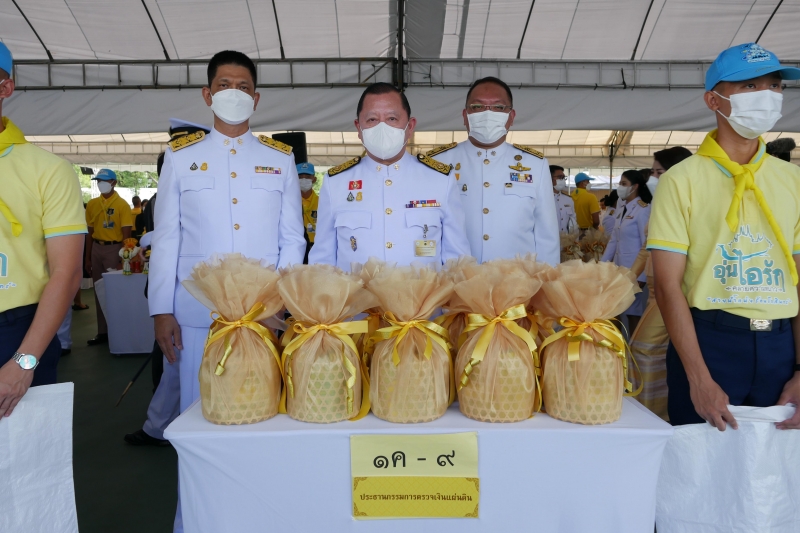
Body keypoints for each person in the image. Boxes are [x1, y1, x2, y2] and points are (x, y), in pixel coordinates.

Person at [648, 42, 800, 431]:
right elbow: (667, 286)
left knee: (776, 477)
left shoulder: (793, 180)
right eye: (749, 86)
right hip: (710, 342)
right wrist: (698, 377)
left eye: (775, 86)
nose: (767, 95)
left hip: (781, 347)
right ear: (713, 100)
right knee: (700, 470)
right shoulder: (680, 180)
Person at [149, 50, 305, 415]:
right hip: (196, 311)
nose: (234, 93)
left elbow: (293, 240)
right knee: (197, 408)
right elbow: (167, 236)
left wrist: (277, 303)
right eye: (225, 85)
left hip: (262, 312)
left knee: (260, 404)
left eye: (243, 87)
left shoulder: (279, 159)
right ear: (208, 94)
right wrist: (161, 310)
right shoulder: (179, 157)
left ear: (255, 98)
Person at [0, 42, 86, 418]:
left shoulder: (48, 169)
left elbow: (66, 274)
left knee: (22, 470)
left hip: (17, 331)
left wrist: (24, 361)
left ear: (5, 88)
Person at [310, 82, 470, 270]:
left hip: (421, 299)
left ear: (410, 126)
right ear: (358, 128)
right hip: (356, 299)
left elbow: (457, 260)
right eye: (372, 120)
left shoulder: (440, 179)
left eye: (392, 118)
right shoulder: (336, 182)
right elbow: (322, 260)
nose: (382, 127)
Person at [425, 77, 560, 265]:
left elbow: (547, 237)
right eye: (478, 107)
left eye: (498, 107)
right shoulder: (437, 163)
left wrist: (546, 286)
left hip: (517, 284)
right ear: (465, 116)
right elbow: (427, 228)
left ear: (511, 117)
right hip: (455, 282)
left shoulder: (535, 164)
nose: (487, 114)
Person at [629, 146, 693, 421]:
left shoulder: (691, 202)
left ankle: (652, 414)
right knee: (657, 351)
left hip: (675, 291)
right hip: (655, 291)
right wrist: (626, 279)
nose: (652, 179)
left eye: (659, 172)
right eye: (652, 173)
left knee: (642, 347)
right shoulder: (661, 204)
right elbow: (646, 249)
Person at [84, 168, 133, 345]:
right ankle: (102, 332)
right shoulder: (92, 204)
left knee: (114, 291)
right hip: (97, 247)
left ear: (114, 183)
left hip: (114, 249)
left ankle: (118, 330)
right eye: (98, 181)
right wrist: (88, 257)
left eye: (104, 181)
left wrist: (123, 259)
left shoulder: (122, 205)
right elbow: (89, 232)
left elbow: (126, 234)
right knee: (98, 291)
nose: (101, 184)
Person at [602, 170, 652, 334]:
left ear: (635, 186)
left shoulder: (643, 209)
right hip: (616, 270)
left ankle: (634, 347)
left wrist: (642, 275)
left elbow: (646, 244)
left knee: (633, 311)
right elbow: (613, 240)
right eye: (620, 184)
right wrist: (602, 266)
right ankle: (619, 346)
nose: (620, 187)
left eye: (624, 184)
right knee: (613, 310)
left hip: (633, 270)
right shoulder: (621, 208)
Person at [297, 162, 318, 263]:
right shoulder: (289, 203)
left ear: (314, 179)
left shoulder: (322, 202)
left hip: (316, 246)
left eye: (308, 176)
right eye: (300, 176)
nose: (304, 179)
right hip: (296, 246)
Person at [550, 165, 576, 234]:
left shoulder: (569, 200)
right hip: (549, 242)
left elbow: (573, 223)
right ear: (549, 178)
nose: (562, 180)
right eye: (559, 177)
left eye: (563, 177)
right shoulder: (541, 200)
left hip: (566, 242)